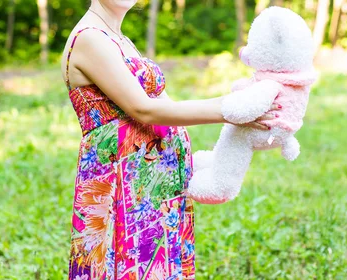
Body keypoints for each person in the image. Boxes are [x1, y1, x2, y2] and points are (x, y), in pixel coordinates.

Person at [61, 0, 280, 278]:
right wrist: (231, 109)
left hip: (155, 181)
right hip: (122, 182)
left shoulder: (120, 39)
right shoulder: (89, 38)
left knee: (157, 265)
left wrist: (241, 111)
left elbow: (169, 107)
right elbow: (144, 109)